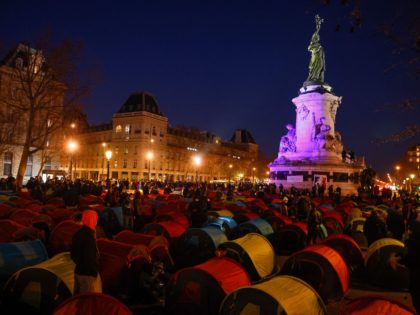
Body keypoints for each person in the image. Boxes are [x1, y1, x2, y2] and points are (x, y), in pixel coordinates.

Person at [70, 210, 102, 294]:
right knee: (86, 302)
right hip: (87, 276)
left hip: (78, 271)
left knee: (77, 299)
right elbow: (88, 259)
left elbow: (72, 255)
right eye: (95, 219)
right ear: (93, 220)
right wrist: (94, 273)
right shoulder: (89, 238)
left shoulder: (77, 234)